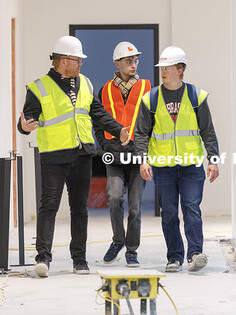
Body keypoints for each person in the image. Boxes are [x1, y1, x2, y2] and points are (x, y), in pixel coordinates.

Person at [18, 35, 131, 277]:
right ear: (62, 61)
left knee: (80, 208)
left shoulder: (86, 84)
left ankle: (79, 259)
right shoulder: (38, 87)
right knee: (49, 206)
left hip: (82, 154)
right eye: (77, 60)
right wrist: (24, 127)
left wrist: (118, 129)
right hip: (54, 155)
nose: (81, 64)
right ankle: (43, 258)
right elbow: (27, 119)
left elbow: (98, 113)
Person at [134, 46, 220, 272]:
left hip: (191, 165)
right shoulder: (150, 99)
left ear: (180, 70)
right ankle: (174, 257)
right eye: (162, 67)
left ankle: (195, 254)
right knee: (169, 213)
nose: (163, 71)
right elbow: (141, 133)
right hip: (163, 168)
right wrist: (143, 160)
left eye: (168, 67)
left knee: (191, 208)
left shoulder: (196, 97)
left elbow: (207, 131)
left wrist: (213, 159)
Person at [94, 42, 151, 267]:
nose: (133, 65)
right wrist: (104, 145)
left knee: (135, 207)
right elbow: (98, 120)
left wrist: (146, 153)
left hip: (137, 156)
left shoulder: (148, 88)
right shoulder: (105, 90)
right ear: (117, 63)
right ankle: (118, 240)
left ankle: (131, 250)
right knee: (115, 198)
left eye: (135, 60)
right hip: (114, 156)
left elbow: (152, 123)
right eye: (128, 61)